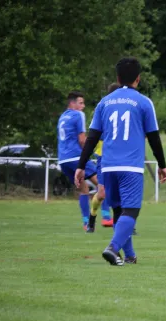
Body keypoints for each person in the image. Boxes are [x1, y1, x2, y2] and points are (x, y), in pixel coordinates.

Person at [75, 57, 166, 265]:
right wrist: (162, 165)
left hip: (107, 166)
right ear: (138, 79)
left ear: (117, 78)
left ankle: (130, 256)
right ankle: (113, 248)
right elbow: (153, 137)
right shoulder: (144, 102)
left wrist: (81, 166)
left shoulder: (104, 102)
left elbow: (91, 137)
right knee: (131, 211)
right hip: (130, 167)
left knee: (119, 210)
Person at [56, 90, 99, 231]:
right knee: (103, 184)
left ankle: (86, 223)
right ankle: (110, 216)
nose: (83, 106)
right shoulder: (78, 115)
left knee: (83, 190)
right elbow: (82, 140)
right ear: (72, 103)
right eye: (81, 103)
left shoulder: (62, 117)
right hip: (76, 157)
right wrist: (91, 151)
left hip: (63, 160)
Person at [86, 83, 119, 233]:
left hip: (120, 157)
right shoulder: (102, 109)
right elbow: (93, 135)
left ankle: (125, 226)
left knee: (123, 192)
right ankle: (92, 218)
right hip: (103, 158)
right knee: (102, 194)